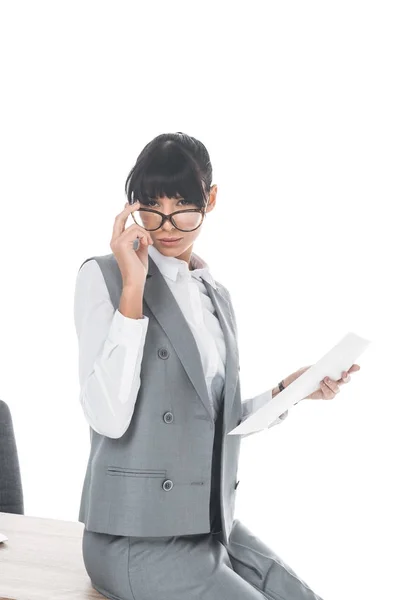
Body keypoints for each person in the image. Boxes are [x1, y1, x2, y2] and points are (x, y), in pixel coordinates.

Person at [74, 131, 359, 600]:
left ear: (210, 199)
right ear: (133, 208)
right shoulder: (103, 277)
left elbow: (211, 423)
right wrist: (132, 288)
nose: (167, 224)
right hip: (134, 538)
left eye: (183, 205)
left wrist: (292, 390)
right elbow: (107, 416)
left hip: (208, 525)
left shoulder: (215, 297)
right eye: (152, 206)